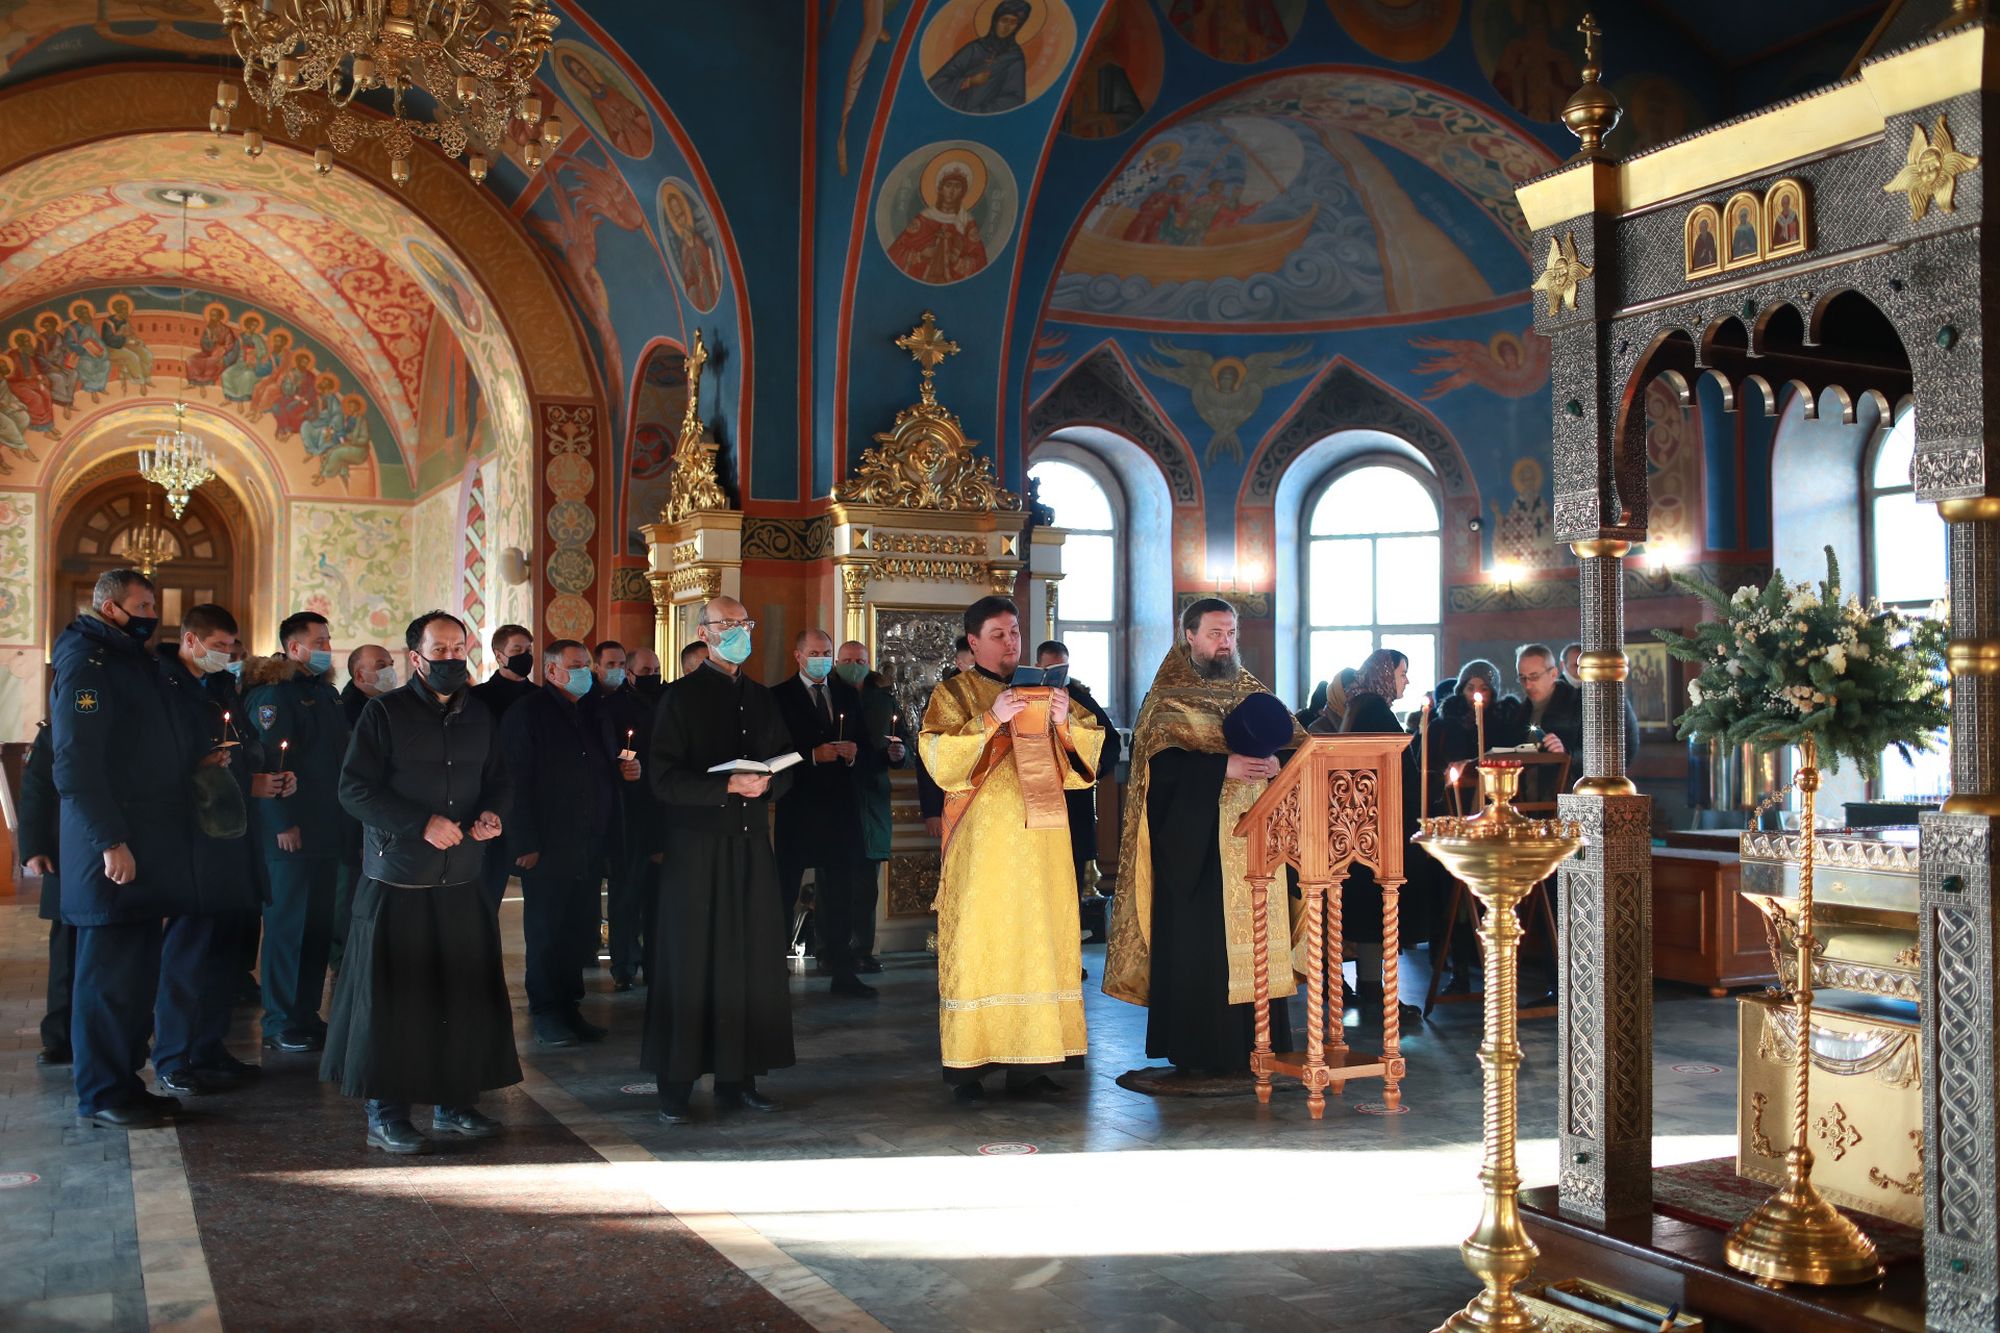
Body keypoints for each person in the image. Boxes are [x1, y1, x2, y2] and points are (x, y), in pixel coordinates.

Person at [325, 611, 519, 1155]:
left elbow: (500, 781)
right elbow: (353, 791)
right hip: (399, 880)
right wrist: (419, 824)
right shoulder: (383, 714)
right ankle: (386, 1114)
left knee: (459, 994)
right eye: (441, 649)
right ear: (417, 657)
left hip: (460, 880)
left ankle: (454, 1103)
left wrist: (492, 815)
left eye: (460, 647)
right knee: (397, 1001)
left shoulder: (480, 715)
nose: (452, 658)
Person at [51, 570, 223, 1128]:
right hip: (112, 851)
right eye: (141, 604)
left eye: (153, 602)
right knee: (107, 982)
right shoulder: (88, 663)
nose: (152, 612)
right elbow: (76, 766)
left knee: (135, 979)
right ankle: (101, 1092)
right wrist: (111, 840)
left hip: (148, 844)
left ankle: (125, 1083)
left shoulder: (132, 660)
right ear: (108, 607)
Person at [921, 596, 1104, 1103]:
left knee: (1040, 940)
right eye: (998, 635)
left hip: (1042, 842)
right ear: (974, 642)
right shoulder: (953, 693)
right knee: (983, 942)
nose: (1010, 642)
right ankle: (971, 1065)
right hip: (983, 848)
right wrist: (989, 719)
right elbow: (938, 757)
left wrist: (1067, 721)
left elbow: (1085, 762)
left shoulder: (1051, 691)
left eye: (1016, 632)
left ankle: (1035, 1059)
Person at [1105, 599, 1298, 1075]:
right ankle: (1202, 1050)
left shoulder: (1251, 687)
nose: (1225, 642)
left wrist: (1277, 765)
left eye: (1230, 632)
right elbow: (1157, 772)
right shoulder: (1169, 695)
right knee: (1205, 949)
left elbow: (1295, 744)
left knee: (1256, 941)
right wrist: (1221, 766)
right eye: (1214, 633)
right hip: (1199, 849)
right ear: (1188, 635)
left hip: (1257, 843)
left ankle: (1263, 1044)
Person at [643, 596, 797, 1122]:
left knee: (750, 962)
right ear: (704, 634)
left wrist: (769, 784)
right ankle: (676, 1086)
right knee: (692, 964)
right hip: (696, 851)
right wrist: (726, 783)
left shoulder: (760, 697)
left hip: (752, 844)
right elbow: (661, 778)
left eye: (745, 623)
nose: (739, 632)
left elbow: (786, 762)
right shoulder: (678, 699)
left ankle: (740, 1079)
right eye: (727, 624)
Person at [152, 604, 272, 1095]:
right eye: (220, 646)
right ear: (191, 640)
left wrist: (256, 778)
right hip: (192, 845)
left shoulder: (222, 688)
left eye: (232, 647)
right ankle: (173, 1056)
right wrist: (199, 764)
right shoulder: (162, 686)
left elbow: (237, 750)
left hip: (232, 840)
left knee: (226, 955)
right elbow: (158, 759)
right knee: (187, 955)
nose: (229, 654)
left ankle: (209, 1047)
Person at [503, 640, 638, 1045]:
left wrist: (625, 770)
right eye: (576, 665)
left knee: (579, 929)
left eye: (586, 665)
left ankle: (570, 1007)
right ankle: (546, 1010)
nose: (585, 672)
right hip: (548, 843)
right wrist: (524, 841)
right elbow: (514, 782)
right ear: (552, 671)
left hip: (590, 840)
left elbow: (601, 764)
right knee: (547, 930)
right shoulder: (527, 713)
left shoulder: (594, 709)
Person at [243, 611, 349, 1054]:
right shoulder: (274, 696)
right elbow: (267, 764)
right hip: (292, 834)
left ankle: (306, 1014)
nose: (326, 646)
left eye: (328, 637)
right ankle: (281, 1020)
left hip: (327, 830)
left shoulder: (324, 694)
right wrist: (281, 822)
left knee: (317, 928)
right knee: (289, 927)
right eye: (318, 640)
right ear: (294, 647)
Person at [771, 628, 874, 998]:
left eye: (827, 652)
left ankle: (842, 970)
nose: (822, 658)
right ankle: (772, 968)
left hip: (839, 809)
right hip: (797, 806)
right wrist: (812, 756)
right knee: (784, 888)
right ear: (798, 656)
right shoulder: (779, 696)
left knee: (841, 891)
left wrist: (854, 751)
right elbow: (772, 754)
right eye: (814, 652)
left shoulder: (846, 693)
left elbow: (863, 740)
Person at [1332, 648, 1422, 1026]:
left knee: (1373, 911)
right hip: (1380, 828)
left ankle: (1373, 987)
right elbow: (1392, 768)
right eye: (1402, 673)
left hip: (1365, 828)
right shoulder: (1375, 710)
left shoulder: (1360, 704)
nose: (1406, 681)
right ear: (1386, 674)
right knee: (1382, 909)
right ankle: (1378, 993)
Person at [595, 640, 662, 991]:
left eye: (656, 671)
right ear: (629, 674)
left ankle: (656, 963)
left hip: (662, 812)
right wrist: (623, 768)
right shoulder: (614, 707)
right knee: (627, 895)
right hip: (629, 815)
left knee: (658, 897)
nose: (652, 677)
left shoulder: (666, 701)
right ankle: (623, 965)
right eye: (645, 672)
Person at [835, 640, 906, 973]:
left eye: (859, 659)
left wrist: (899, 754)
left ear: (869, 662)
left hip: (873, 797)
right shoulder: (829, 695)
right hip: (836, 795)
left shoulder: (883, 700)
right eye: (847, 660)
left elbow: (903, 742)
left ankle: (862, 947)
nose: (853, 664)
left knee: (866, 882)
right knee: (831, 877)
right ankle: (830, 948)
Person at [1034, 640, 1121, 897]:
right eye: (1050, 669)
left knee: (1071, 880)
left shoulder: (1080, 700)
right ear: (1038, 666)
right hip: (1038, 797)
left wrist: (1095, 767)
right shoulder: (1024, 696)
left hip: (1074, 801)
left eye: (1061, 669)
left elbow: (1111, 741)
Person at [330, 645, 396, 975]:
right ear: (360, 675)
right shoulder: (346, 711)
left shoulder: (385, 707)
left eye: (391, 664)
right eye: (381, 665)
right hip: (351, 821)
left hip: (381, 820)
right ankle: (345, 962)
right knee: (349, 896)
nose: (390, 671)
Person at [471, 623, 535, 912]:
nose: (525, 655)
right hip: (491, 803)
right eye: (517, 650)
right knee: (484, 898)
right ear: (499, 655)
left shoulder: (541, 697)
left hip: (533, 803)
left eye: (529, 650)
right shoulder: (478, 698)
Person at [20, 722, 68, 1066]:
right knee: (66, 954)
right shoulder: (55, 729)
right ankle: (60, 1038)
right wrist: (34, 847)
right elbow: (35, 787)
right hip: (63, 851)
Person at [914, 635, 973, 839]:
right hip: (952, 797)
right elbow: (928, 755)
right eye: (972, 664)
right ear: (959, 663)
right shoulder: (943, 697)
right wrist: (931, 810)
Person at [926, 0, 1031, 114]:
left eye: (1013, 22)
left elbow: (1014, 98)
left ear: (1018, 26)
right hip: (953, 110)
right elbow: (937, 83)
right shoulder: (975, 48)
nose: (1006, 27)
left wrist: (981, 111)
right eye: (1004, 20)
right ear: (995, 21)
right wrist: (969, 81)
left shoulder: (1015, 58)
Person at [1558, 640, 1640, 767]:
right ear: (1563, 665)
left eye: (1586, 667)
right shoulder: (1554, 694)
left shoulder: (1608, 694)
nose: (1581, 672)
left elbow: (1627, 739)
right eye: (1576, 666)